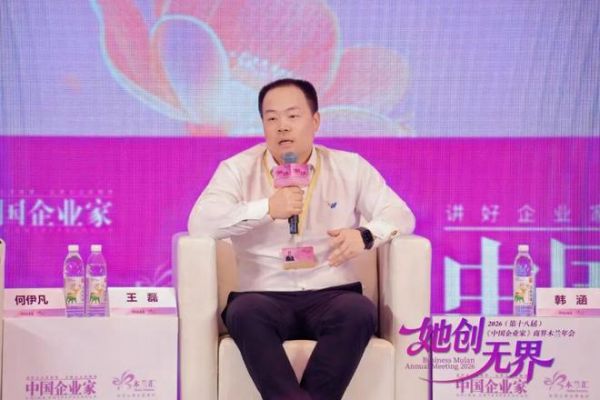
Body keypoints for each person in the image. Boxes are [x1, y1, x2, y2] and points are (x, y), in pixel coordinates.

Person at [188, 78, 415, 400]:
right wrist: (267, 208)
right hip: (262, 295)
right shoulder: (236, 170)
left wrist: (365, 236)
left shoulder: (350, 167)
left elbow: (401, 214)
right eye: (272, 118)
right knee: (243, 313)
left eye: (293, 116)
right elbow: (200, 222)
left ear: (315, 121)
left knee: (359, 311)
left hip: (332, 293)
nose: (282, 127)